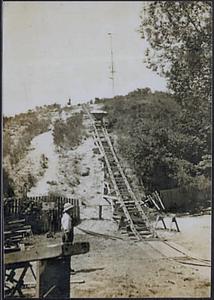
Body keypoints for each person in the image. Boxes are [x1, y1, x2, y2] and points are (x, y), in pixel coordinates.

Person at [61, 202, 75, 274]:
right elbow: (66, 229)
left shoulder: (65, 216)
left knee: (67, 253)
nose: (72, 210)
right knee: (67, 253)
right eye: (71, 209)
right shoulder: (67, 217)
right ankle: (66, 269)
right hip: (67, 236)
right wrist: (67, 238)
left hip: (66, 235)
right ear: (68, 210)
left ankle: (67, 268)